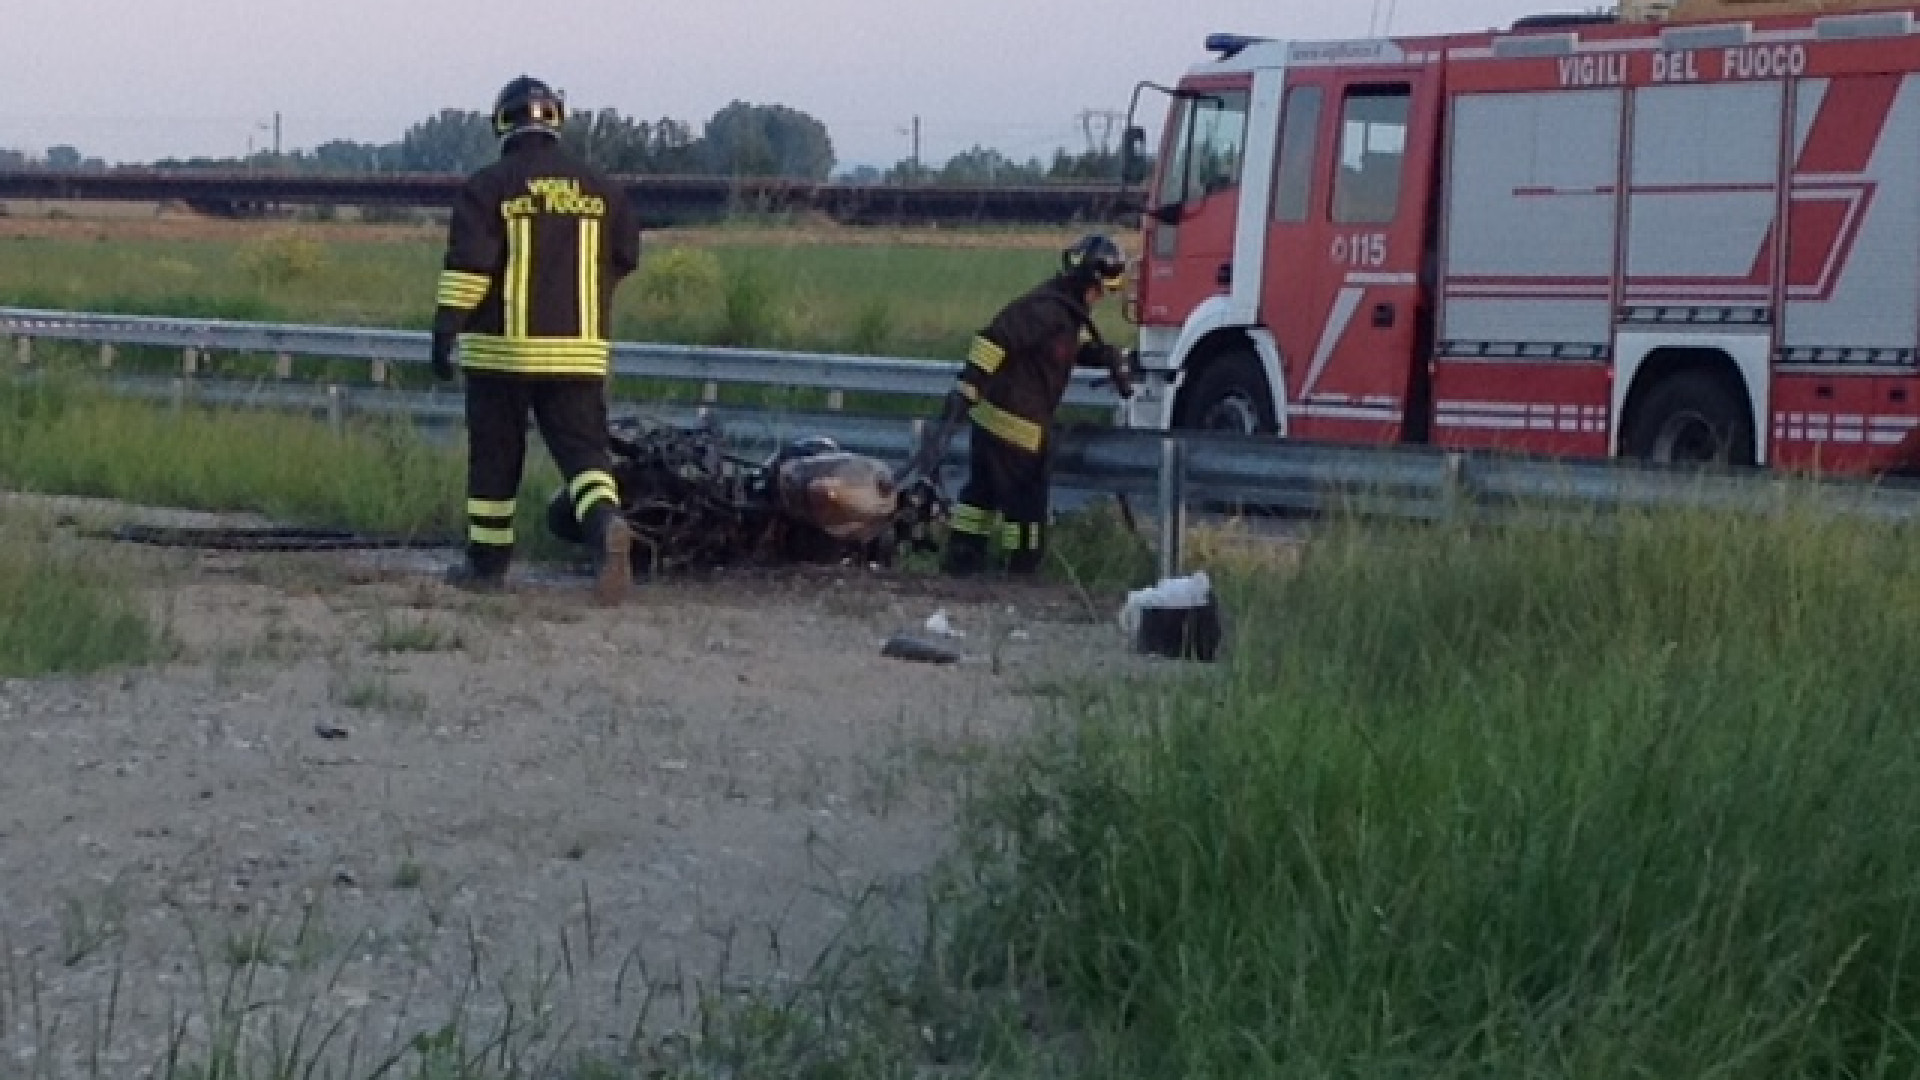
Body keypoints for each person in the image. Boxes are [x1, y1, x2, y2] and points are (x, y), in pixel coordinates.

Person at [429, 75, 642, 604]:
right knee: (585, 457)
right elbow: (626, 258)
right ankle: (606, 528)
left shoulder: (489, 186)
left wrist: (444, 331)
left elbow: (471, 269)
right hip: (579, 353)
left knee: (496, 460)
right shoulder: (602, 189)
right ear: (556, 120)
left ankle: (487, 566)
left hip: (501, 354)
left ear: (502, 121)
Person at [907, 233, 1134, 577]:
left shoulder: (1063, 313)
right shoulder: (1046, 310)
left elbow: (1054, 351)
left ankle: (963, 562)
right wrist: (971, 384)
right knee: (1026, 504)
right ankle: (1020, 571)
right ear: (1092, 280)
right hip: (1016, 423)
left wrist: (1100, 355)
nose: (1103, 296)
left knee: (980, 497)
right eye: (1103, 288)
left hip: (996, 421)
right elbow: (995, 339)